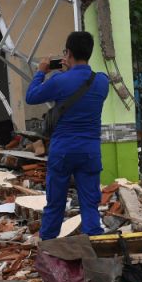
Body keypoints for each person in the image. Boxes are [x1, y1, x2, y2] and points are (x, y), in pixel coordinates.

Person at [25, 31, 110, 240]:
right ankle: (94, 252)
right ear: (89, 53)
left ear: (68, 53)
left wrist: (41, 72)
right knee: (90, 204)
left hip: (62, 150)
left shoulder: (58, 80)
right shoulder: (101, 82)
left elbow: (31, 96)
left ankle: (49, 252)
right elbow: (81, 88)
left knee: (55, 203)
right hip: (89, 152)